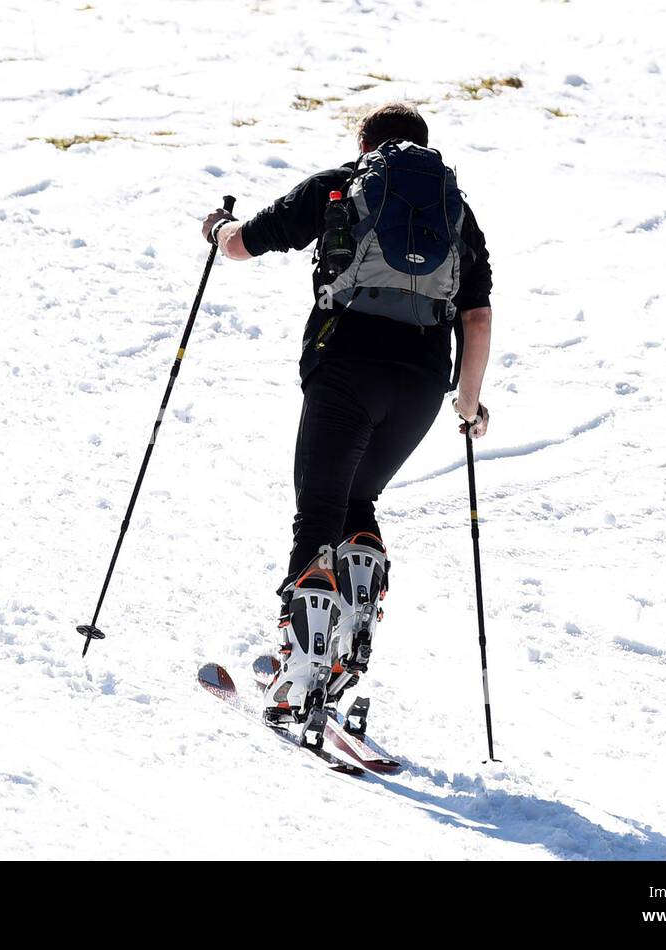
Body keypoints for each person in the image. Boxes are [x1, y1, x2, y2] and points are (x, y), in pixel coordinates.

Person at [200, 102, 493, 743]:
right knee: (361, 498)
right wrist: (468, 405)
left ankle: (299, 676)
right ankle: (350, 636)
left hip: (345, 369)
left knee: (322, 507)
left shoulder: (339, 186)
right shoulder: (455, 214)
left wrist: (218, 228)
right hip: (420, 384)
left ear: (365, 142)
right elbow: (476, 316)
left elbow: (243, 245)